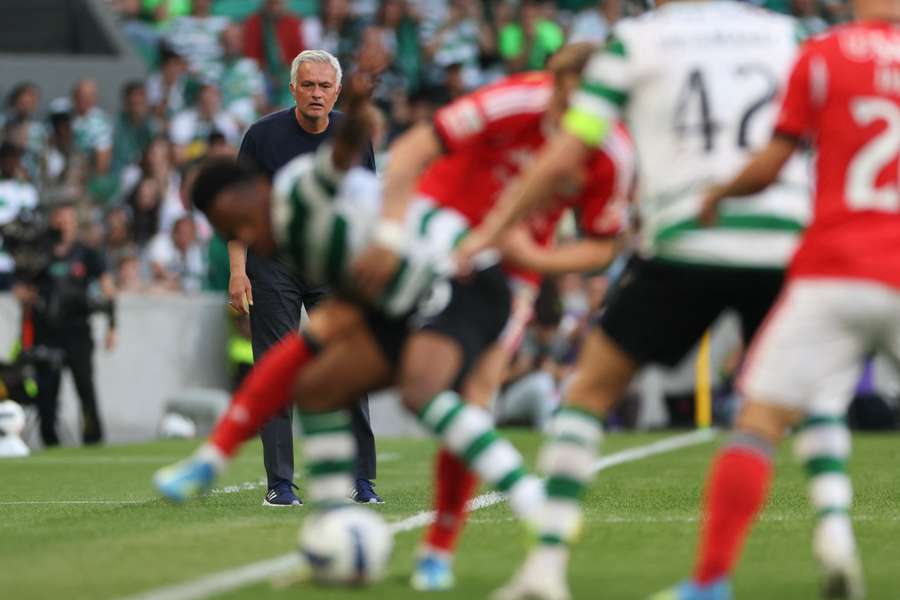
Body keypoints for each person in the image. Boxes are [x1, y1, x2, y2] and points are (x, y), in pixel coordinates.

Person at [457, 2, 810, 598]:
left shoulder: (637, 40)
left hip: (687, 238)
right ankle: (824, 543)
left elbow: (570, 150)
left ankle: (545, 568)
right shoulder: (786, 33)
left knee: (589, 389)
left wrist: (493, 228)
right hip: (781, 240)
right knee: (790, 405)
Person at [155, 71, 545, 548]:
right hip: (394, 295)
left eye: (240, 222)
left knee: (420, 391)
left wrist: (358, 107)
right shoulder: (282, 240)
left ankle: (529, 497)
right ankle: (335, 524)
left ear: (255, 194)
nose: (245, 236)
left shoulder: (301, 191)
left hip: (455, 274)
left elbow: (342, 153)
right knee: (316, 386)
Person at [359, 43, 633, 590]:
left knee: (475, 398)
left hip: (510, 273)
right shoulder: (513, 100)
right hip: (436, 236)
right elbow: (416, 144)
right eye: (571, 100)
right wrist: (390, 227)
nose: (582, 116)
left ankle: (439, 546)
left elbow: (603, 246)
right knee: (349, 346)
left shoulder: (613, 153)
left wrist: (539, 259)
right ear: (552, 85)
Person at [657, 5, 900, 599]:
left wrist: (718, 192)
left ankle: (710, 583)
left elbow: (772, 163)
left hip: (833, 268)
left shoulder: (821, 55)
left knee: (759, 422)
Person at [226, 49, 380, 506]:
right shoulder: (261, 136)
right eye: (308, 85)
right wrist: (238, 270)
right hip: (274, 263)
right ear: (292, 88)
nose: (317, 94)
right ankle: (280, 483)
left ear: (337, 91)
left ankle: (362, 480)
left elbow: (367, 209)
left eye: (324, 86)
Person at [14, 202, 117, 447]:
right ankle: (50, 440)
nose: (64, 225)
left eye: (69, 219)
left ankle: (93, 438)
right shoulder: (40, 253)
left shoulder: (87, 253)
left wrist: (113, 325)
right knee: (47, 392)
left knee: (85, 388)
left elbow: (108, 289)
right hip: (46, 332)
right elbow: (22, 287)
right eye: (60, 220)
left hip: (77, 331)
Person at [0, 142, 39, 291]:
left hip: (17, 261)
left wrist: (7, 227)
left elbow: (30, 223)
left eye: (13, 158)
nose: (9, 162)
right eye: (5, 158)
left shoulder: (26, 191)